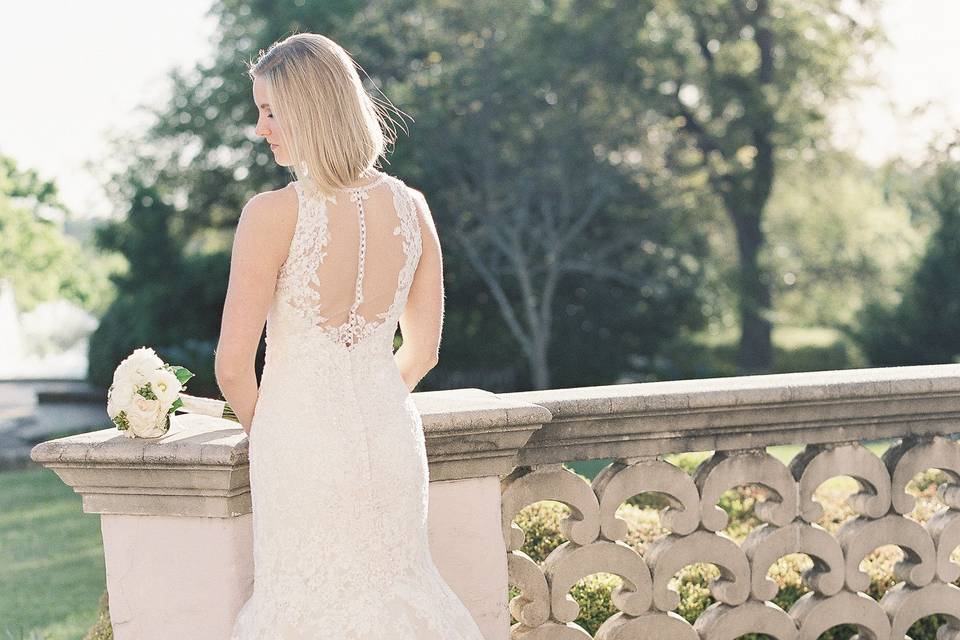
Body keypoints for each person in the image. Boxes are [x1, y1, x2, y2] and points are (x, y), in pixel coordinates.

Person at [216, 32, 487, 639]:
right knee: (400, 587)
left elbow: (233, 366)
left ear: (309, 110)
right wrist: (367, 397)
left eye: (269, 111)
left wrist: (279, 434)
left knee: (306, 606)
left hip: (299, 445)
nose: (261, 128)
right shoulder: (412, 206)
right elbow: (425, 351)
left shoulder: (271, 213)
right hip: (390, 435)